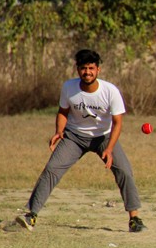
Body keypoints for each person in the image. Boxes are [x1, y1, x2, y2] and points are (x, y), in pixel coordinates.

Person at [17, 49, 146, 233]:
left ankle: (135, 219)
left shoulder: (110, 91)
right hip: (74, 137)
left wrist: (109, 149)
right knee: (52, 169)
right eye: (83, 68)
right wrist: (59, 131)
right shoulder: (69, 87)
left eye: (91, 68)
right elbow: (63, 112)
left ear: (98, 70)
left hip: (104, 137)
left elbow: (117, 123)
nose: (87, 72)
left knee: (124, 171)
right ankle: (31, 215)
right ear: (77, 70)